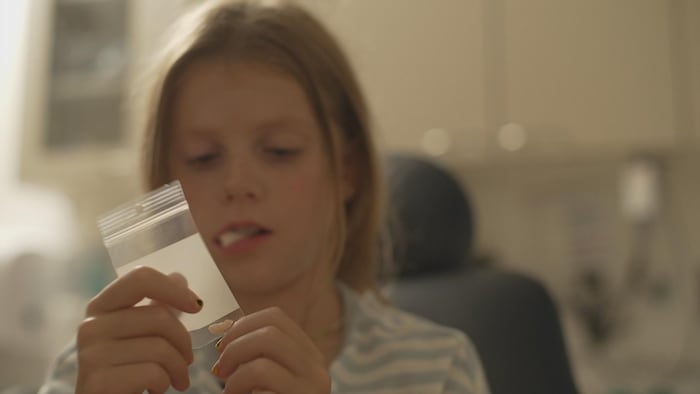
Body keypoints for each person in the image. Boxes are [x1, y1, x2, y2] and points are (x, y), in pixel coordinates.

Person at [39, 0, 489, 392]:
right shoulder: (106, 366)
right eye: (203, 157)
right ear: (164, 184)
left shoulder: (436, 370)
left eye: (280, 151)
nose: (238, 183)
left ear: (347, 171)